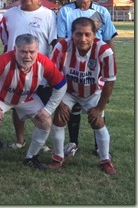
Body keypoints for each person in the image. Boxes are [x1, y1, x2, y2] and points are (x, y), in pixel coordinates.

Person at [0, 34, 67, 171]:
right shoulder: (4, 60)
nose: (27, 56)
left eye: (32, 52)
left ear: (38, 50)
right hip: (1, 98)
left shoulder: (43, 62)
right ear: (15, 49)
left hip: (26, 99)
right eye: (23, 51)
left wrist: (48, 109)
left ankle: (31, 157)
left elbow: (61, 85)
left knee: (46, 121)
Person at [56, 0, 118, 157]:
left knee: (98, 104)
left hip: (95, 65)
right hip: (72, 63)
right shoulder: (66, 11)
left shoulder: (102, 11)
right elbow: (61, 39)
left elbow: (108, 39)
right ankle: (73, 142)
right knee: (72, 103)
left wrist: (111, 63)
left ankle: (99, 146)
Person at [47, 17, 117, 175]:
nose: (83, 39)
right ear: (72, 34)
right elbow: (51, 75)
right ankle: (58, 157)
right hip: (68, 91)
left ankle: (105, 159)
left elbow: (110, 82)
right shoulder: (62, 46)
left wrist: (99, 108)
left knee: (97, 122)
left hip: (92, 93)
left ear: (94, 35)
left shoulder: (104, 50)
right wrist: (59, 102)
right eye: (78, 34)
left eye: (87, 34)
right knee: (59, 117)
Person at [1, 0, 57, 150]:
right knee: (17, 107)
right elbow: (6, 42)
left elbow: (54, 42)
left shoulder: (48, 15)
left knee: (43, 108)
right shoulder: (9, 14)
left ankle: (42, 142)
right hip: (15, 71)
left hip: (40, 72)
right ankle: (20, 140)